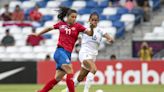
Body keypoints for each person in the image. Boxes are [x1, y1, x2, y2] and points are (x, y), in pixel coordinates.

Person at [33, 6, 94, 92]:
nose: (74, 19)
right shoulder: (61, 24)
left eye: (75, 17)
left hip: (68, 54)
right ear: (67, 16)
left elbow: (90, 33)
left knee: (57, 78)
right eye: (72, 16)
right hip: (60, 51)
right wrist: (37, 34)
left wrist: (91, 27)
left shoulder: (78, 26)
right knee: (70, 70)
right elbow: (49, 28)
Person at [62, 12, 113, 92]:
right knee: (94, 69)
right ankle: (86, 90)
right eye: (92, 20)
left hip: (93, 56)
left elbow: (110, 38)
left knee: (80, 77)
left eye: (96, 20)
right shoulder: (84, 28)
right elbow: (73, 29)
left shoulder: (101, 30)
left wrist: (110, 40)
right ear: (89, 20)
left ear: (98, 21)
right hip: (84, 53)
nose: (94, 21)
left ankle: (67, 90)